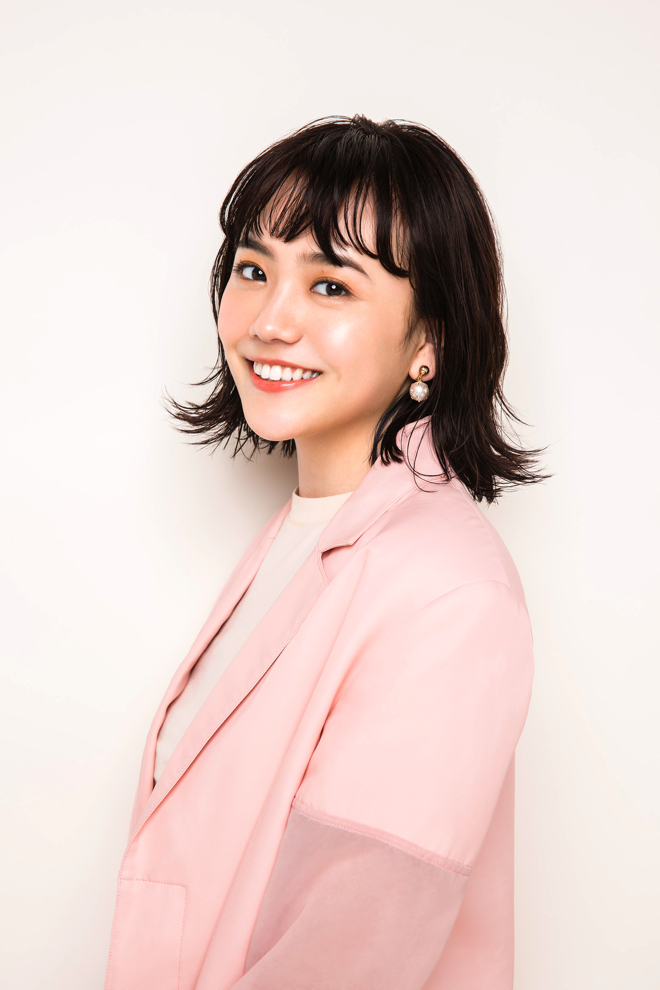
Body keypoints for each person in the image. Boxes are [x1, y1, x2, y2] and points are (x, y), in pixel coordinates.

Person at [105, 114, 544, 990]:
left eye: (331, 286)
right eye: (254, 270)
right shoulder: (302, 535)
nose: (270, 321)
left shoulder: (447, 591)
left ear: (430, 341)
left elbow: (348, 953)